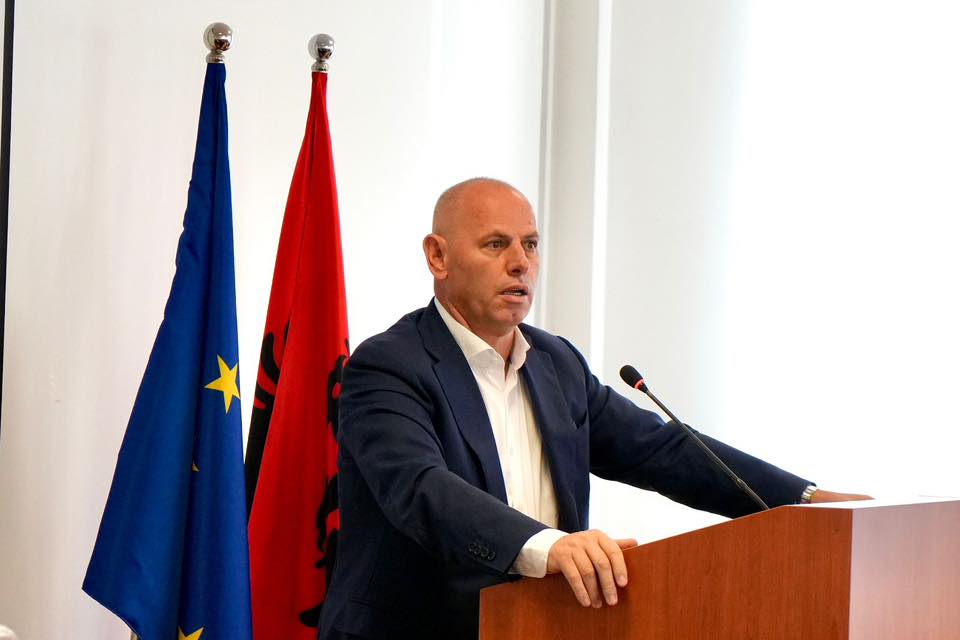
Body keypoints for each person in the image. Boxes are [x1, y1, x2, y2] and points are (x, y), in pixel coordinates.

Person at [317, 178, 868, 640]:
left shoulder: (556, 364)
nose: (520, 264)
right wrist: (550, 548)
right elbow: (421, 488)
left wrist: (804, 500)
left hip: (542, 626)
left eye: (531, 245)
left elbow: (662, 450)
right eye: (496, 244)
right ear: (438, 256)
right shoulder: (387, 367)